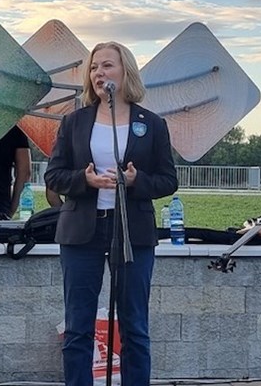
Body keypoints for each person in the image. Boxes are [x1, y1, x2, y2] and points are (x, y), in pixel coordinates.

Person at [44, 41, 178, 385]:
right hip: (82, 233)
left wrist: (136, 181)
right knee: (78, 326)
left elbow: (168, 180)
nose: (99, 73)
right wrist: (84, 180)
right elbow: (53, 176)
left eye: (107, 65)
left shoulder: (152, 124)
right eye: (94, 67)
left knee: (134, 326)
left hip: (133, 233)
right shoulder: (74, 122)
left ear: (125, 71)